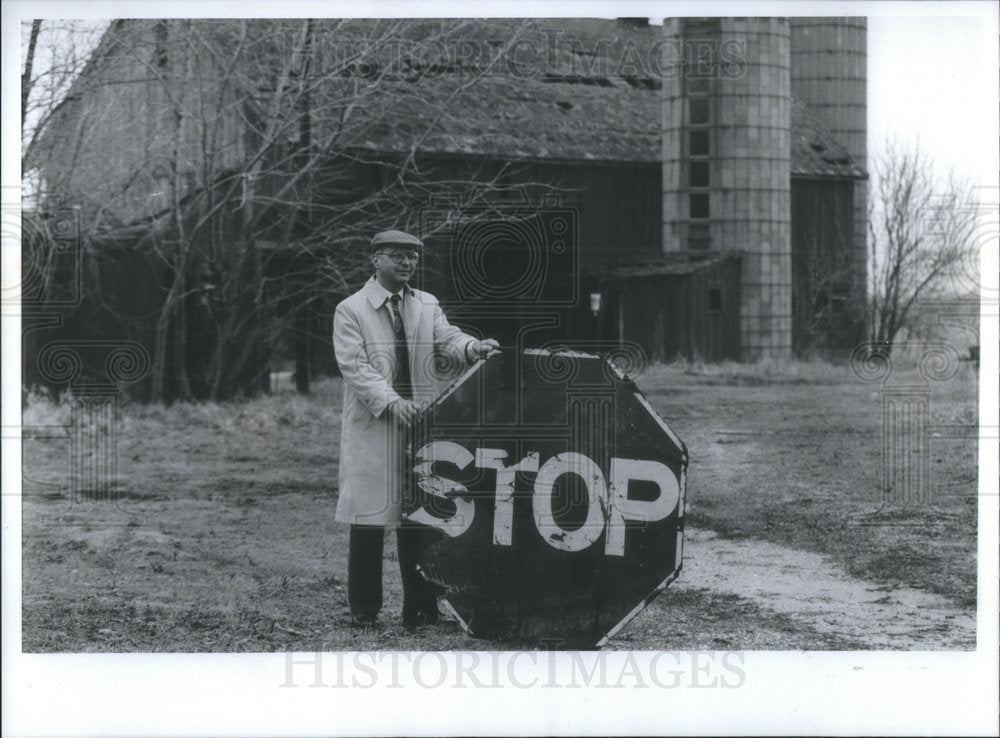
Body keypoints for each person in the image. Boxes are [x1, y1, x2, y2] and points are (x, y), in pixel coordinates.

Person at [332, 229, 499, 629]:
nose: (406, 263)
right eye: (397, 256)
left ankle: (422, 609)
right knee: (369, 517)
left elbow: (447, 338)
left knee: (422, 516)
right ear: (375, 260)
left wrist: (472, 348)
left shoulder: (426, 304)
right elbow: (355, 366)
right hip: (375, 425)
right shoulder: (351, 309)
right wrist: (390, 401)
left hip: (422, 422)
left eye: (412, 257)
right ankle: (365, 611)